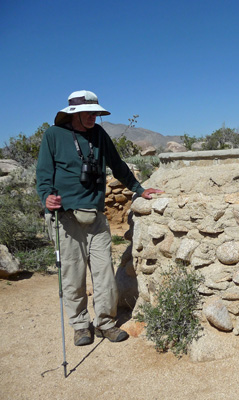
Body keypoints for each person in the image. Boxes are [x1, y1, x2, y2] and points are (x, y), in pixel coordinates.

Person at [36, 90, 162, 346]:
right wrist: (47, 197)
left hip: (95, 216)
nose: (94, 117)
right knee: (73, 275)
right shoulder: (53, 135)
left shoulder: (99, 135)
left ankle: (105, 324)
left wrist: (139, 189)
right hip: (66, 218)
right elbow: (43, 173)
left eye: (96, 113)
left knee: (104, 274)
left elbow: (118, 165)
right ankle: (81, 326)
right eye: (89, 113)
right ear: (74, 114)